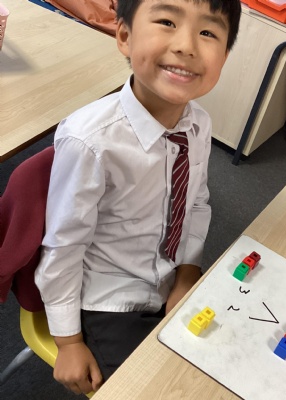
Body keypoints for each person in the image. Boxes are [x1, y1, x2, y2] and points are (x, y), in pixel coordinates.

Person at [34, 0, 241, 396]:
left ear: (225, 56)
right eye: (166, 21)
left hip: (170, 277)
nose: (186, 45)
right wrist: (68, 342)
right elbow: (64, 247)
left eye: (208, 32)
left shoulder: (199, 124)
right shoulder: (91, 142)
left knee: (226, 364)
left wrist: (187, 272)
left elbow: (196, 202)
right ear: (125, 36)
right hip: (110, 300)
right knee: (155, 388)